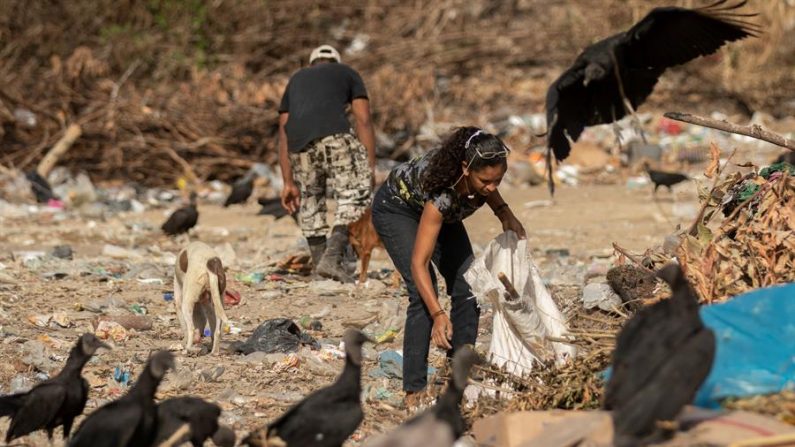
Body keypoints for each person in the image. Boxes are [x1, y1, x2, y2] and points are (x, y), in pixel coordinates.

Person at [371, 127, 526, 399]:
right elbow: (419, 263)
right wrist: (438, 315)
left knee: (468, 285)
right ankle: (414, 389)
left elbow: (488, 183)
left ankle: (457, 374)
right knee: (422, 293)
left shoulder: (480, 175)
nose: (491, 188)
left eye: (498, 181)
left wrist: (504, 212)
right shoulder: (444, 192)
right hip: (398, 209)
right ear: (466, 169)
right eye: (485, 182)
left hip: (443, 214)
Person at [278, 44, 375, 282]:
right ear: (336, 61)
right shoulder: (347, 72)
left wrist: (288, 182)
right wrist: (369, 168)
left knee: (310, 199)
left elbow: (283, 131)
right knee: (355, 193)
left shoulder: (296, 79)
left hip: (299, 142)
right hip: (336, 136)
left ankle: (320, 269)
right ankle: (331, 259)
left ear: (312, 63)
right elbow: (363, 119)